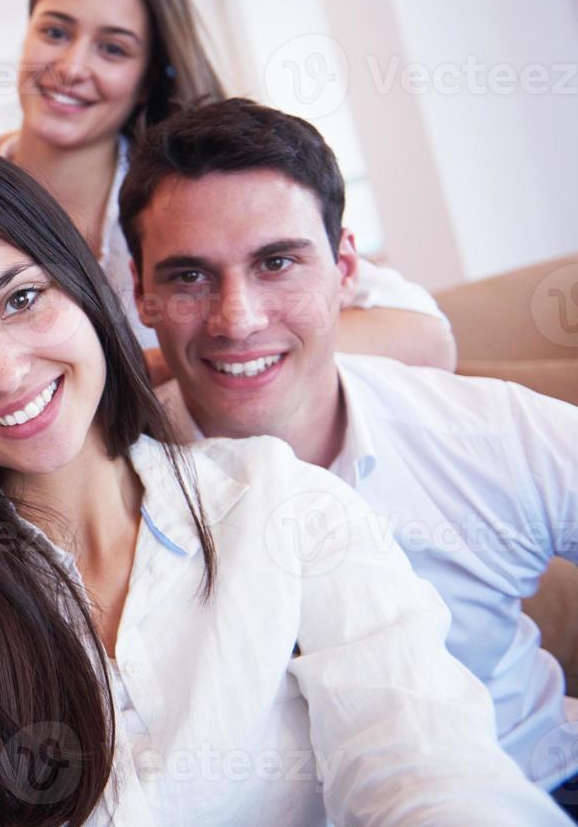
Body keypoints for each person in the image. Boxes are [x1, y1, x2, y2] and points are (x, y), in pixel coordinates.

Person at [0, 144, 564, 824]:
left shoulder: (274, 504)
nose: (4, 371)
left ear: (84, 288)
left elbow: (423, 761)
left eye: (19, 300)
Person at [118, 97, 578, 812]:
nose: (236, 318)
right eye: (188, 277)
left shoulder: (484, 432)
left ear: (343, 270)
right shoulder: (109, 491)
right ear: (141, 295)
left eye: (276, 263)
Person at [0, 0, 455, 373]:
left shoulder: (183, 202)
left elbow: (424, 337)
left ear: (147, 79)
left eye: (113, 49)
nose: (70, 66)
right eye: (55, 32)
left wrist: (174, 367)